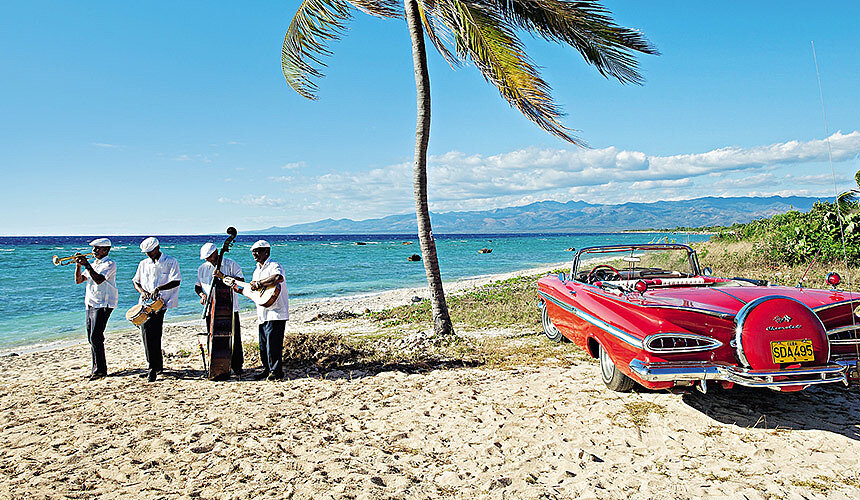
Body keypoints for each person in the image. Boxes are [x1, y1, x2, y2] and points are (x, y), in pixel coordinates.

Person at [132, 237, 181, 382]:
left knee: (152, 332)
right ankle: (155, 366)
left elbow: (176, 280)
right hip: (145, 302)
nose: (148, 254)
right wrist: (142, 292)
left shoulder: (171, 261)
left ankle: (153, 368)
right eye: (146, 252)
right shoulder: (143, 264)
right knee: (146, 333)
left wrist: (159, 288)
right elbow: (136, 281)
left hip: (161, 303)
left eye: (150, 251)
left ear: (157, 248)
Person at [195, 242, 245, 377]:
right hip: (210, 309)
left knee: (234, 337)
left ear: (216, 253)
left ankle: (237, 365)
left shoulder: (230, 264)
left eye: (209, 257)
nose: (207, 260)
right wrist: (202, 295)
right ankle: (216, 363)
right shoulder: (202, 268)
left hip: (229, 307)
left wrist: (224, 276)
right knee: (212, 338)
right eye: (206, 258)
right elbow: (198, 286)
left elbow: (241, 281)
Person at [73, 238, 118, 380]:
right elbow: (79, 280)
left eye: (97, 248)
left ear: (105, 250)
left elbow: (99, 279)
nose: (94, 251)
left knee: (96, 336)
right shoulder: (94, 264)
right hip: (91, 303)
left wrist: (86, 265)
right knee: (91, 338)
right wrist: (78, 266)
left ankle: (100, 370)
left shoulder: (109, 264)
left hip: (104, 303)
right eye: (94, 248)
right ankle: (96, 369)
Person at [247, 240, 289, 381]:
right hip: (262, 312)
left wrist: (259, 283)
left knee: (273, 344)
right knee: (263, 345)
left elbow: (278, 278)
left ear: (267, 252)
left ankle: (276, 372)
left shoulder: (274, 265)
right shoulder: (256, 271)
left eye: (258, 251)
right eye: (253, 251)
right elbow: (256, 292)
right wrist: (241, 289)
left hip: (276, 312)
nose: (254, 254)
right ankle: (267, 369)